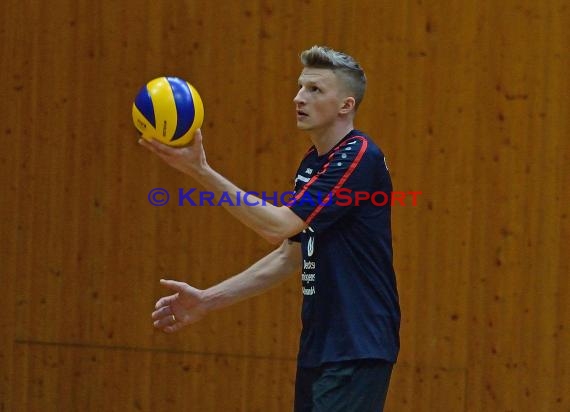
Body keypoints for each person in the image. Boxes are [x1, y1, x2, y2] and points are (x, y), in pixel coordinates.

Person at [140, 45, 400, 412]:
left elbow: (278, 226)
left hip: (356, 345)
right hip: (321, 344)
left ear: (346, 105)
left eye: (315, 90)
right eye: (299, 87)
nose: (299, 97)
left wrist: (201, 172)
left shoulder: (357, 156)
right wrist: (207, 300)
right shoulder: (313, 164)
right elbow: (289, 253)